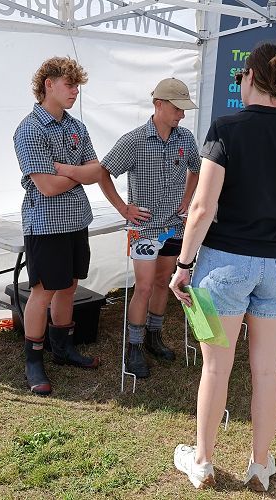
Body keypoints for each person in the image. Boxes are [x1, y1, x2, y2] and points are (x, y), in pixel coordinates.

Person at [170, 43, 276, 492]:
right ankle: (260, 464)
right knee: (268, 370)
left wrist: (183, 264)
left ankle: (202, 462)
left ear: (249, 77)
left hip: (223, 264)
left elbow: (202, 208)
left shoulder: (227, 126)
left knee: (215, 369)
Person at [99, 78, 200, 378]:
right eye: (177, 108)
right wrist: (123, 208)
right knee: (142, 286)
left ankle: (154, 337)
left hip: (173, 227)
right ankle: (134, 346)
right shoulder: (133, 140)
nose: (181, 115)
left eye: (184, 109)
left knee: (162, 282)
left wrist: (187, 198)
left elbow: (197, 168)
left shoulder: (186, 139)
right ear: (158, 105)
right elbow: (104, 172)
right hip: (143, 230)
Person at [14, 56, 102, 396]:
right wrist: (78, 173)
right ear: (48, 84)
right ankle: (33, 358)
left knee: (69, 285)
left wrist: (63, 169)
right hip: (46, 224)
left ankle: (63, 349)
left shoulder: (76, 127)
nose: (75, 92)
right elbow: (46, 188)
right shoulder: (29, 129)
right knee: (43, 290)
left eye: (77, 86)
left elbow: (97, 171)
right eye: (70, 85)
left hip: (76, 220)